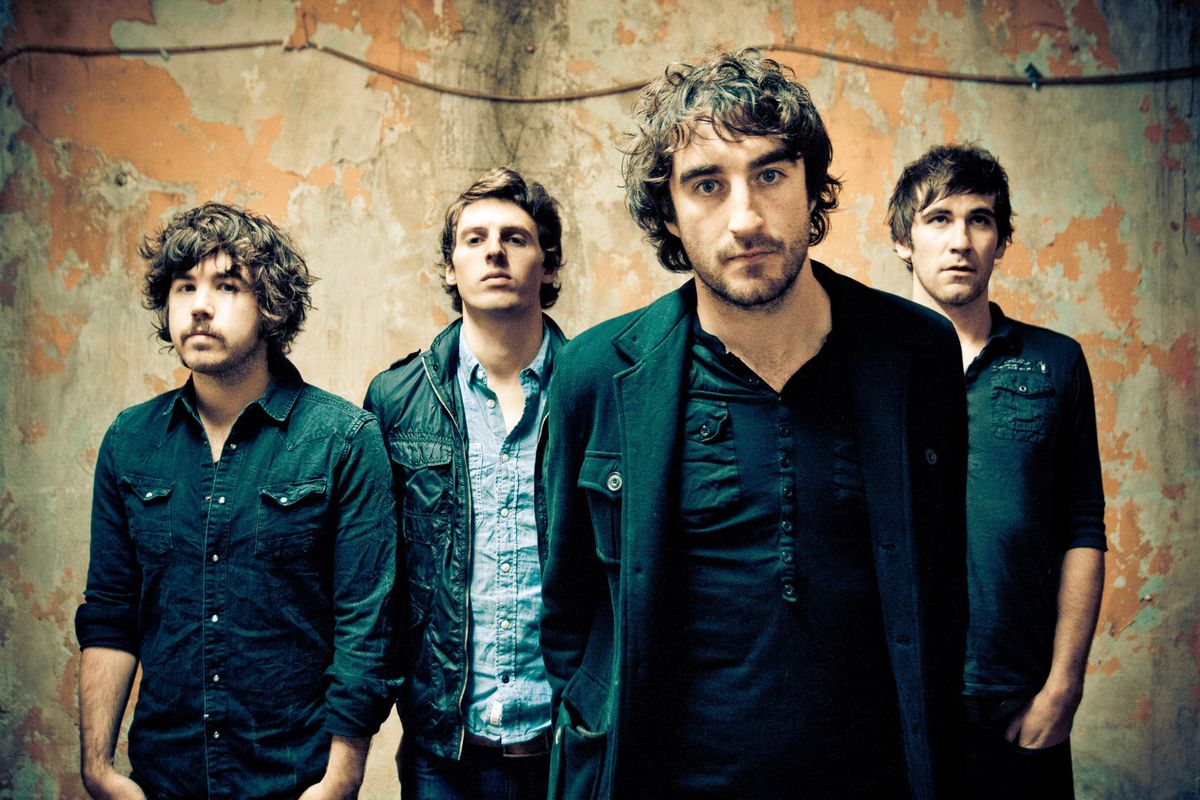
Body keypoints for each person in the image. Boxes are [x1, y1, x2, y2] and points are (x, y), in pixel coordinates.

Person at [540, 48, 968, 799]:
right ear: (668, 212)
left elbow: (944, 584)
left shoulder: (915, 354)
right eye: (707, 185)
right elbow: (568, 611)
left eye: (770, 175)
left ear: (812, 187)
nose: (746, 219)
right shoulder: (595, 375)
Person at [74, 202, 397, 800]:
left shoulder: (344, 441)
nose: (199, 306)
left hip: (294, 781)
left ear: (271, 306)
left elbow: (366, 627)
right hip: (163, 781)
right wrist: (97, 768)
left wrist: (341, 777)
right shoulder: (130, 440)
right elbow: (111, 613)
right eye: (184, 286)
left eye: (227, 286)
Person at [887, 143, 1106, 799]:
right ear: (903, 241)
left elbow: (1083, 529)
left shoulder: (1055, 362)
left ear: (1002, 240)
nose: (960, 241)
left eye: (979, 220)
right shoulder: (867, 369)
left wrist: (1063, 689)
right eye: (938, 219)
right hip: (900, 705)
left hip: (1019, 701)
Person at [364, 167, 568, 799]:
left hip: (566, 739)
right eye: (474, 239)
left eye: (515, 237)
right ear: (450, 270)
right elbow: (376, 575)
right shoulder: (396, 398)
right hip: (443, 747)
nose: (494, 252)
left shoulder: (592, 388)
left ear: (548, 267)